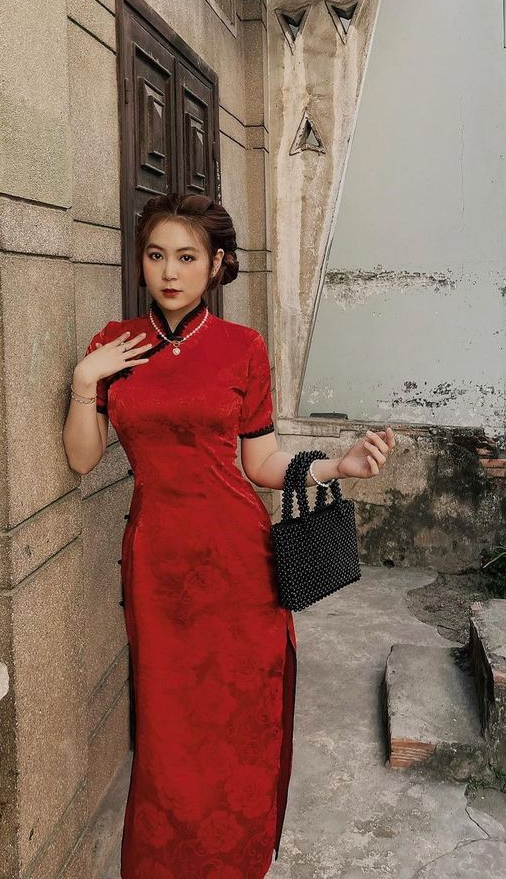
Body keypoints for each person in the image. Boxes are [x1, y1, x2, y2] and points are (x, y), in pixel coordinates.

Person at [62, 193, 395, 877]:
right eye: (156, 255)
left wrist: (339, 465)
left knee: (239, 726)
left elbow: (261, 464)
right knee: (166, 733)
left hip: (240, 566)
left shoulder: (243, 348)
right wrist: (83, 382)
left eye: (187, 257)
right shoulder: (113, 346)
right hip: (157, 566)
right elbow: (82, 458)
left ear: (216, 264)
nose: (169, 272)